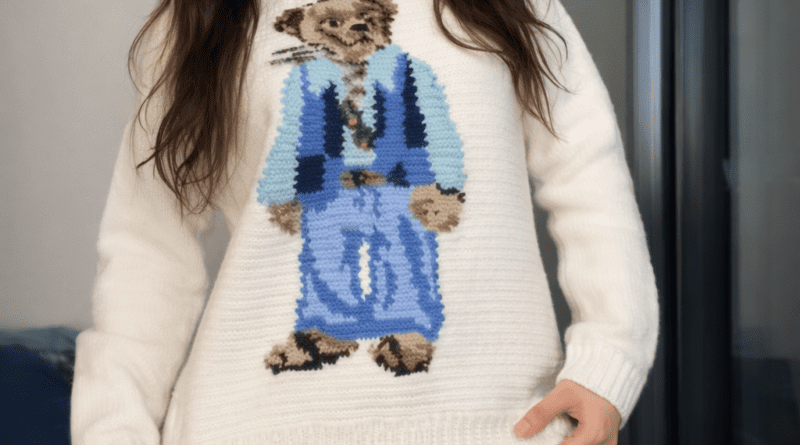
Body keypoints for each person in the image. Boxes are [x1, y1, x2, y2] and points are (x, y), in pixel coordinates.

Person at [70, 0, 659, 443]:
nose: (346, 37)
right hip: (251, 422)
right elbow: (148, 253)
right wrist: (112, 431)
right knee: (325, 262)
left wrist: (610, 358)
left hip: (493, 419)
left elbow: (586, 170)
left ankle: (406, 331)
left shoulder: (502, 11)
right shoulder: (206, 20)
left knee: (407, 258)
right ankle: (325, 331)